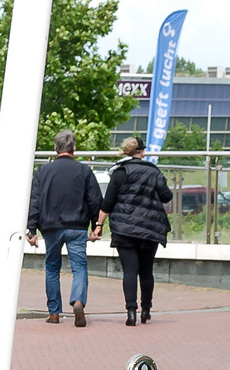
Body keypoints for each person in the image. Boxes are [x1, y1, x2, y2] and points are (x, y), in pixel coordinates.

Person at [25, 130, 103, 326]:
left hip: (51, 227)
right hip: (77, 227)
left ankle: (53, 313)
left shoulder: (43, 171)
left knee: (52, 268)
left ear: (55, 148)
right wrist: (96, 227)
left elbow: (34, 201)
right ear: (74, 149)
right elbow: (95, 200)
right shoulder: (84, 171)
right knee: (79, 267)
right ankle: (78, 300)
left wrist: (31, 229)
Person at [95, 137, 172, 326]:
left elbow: (108, 202)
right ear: (142, 152)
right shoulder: (154, 172)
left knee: (129, 271)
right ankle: (146, 309)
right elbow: (166, 196)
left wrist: (99, 225)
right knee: (146, 271)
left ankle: (131, 312)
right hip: (149, 230)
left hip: (124, 230)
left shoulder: (119, 173)